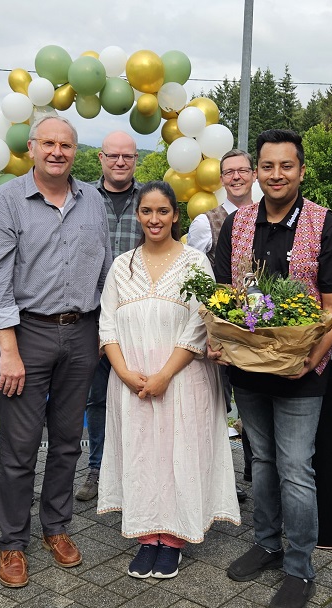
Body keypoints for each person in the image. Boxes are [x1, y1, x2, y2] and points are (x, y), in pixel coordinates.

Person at [213, 129, 332, 608]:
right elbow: (226, 293)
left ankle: (299, 567)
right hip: (248, 370)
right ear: (256, 172)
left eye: (285, 166)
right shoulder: (239, 224)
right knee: (264, 462)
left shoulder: (324, 225)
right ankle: (267, 543)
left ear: (300, 170)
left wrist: (309, 356)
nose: (276, 175)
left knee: (296, 469)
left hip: (301, 373)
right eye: (267, 167)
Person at [0, 115, 112, 588]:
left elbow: (105, 267)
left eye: (67, 145)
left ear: (76, 151)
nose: (57, 151)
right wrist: (7, 349)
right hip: (27, 335)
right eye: (49, 143)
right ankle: (12, 542)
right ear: (32, 147)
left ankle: (56, 527)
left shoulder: (93, 200)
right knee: (19, 447)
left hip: (82, 333)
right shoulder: (7, 202)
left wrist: (102, 328)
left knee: (66, 443)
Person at [97, 181, 241, 579]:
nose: (154, 219)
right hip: (132, 379)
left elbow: (200, 324)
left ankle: (174, 538)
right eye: (147, 212)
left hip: (182, 377)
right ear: (138, 216)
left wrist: (163, 375)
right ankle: (147, 535)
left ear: (175, 215)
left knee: (180, 450)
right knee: (144, 451)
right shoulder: (121, 265)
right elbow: (106, 323)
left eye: (162, 211)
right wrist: (124, 372)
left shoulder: (195, 261)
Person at [187, 148, 258, 499]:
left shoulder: (267, 216)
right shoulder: (206, 222)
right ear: (221, 179)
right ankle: (218, 481)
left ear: (254, 175)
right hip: (221, 330)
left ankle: (255, 477)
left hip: (261, 327)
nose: (236, 177)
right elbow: (196, 278)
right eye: (228, 172)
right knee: (217, 405)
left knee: (254, 407)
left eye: (242, 170)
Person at [76, 131, 143, 502]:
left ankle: (136, 471)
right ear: (100, 158)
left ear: (136, 160)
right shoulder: (82, 198)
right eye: (113, 156)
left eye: (128, 157)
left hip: (138, 320)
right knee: (96, 399)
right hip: (92, 316)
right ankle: (97, 469)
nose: (120, 162)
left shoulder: (149, 198)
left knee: (138, 395)